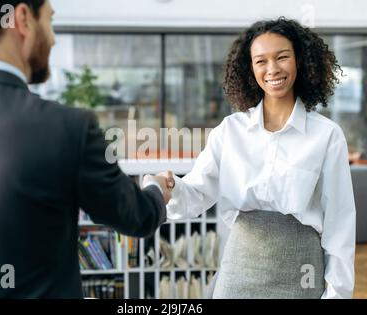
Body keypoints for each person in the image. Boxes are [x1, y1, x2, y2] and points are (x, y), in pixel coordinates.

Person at [0, 0, 171, 298]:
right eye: (50, 19)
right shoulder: (69, 128)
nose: (54, 36)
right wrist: (155, 188)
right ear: (22, 19)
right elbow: (136, 216)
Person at [146, 17, 356, 299]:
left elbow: (340, 224)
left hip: (302, 271)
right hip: (240, 270)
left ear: (301, 61)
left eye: (282, 57)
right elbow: (196, 194)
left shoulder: (327, 135)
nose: (272, 69)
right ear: (250, 68)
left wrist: (337, 294)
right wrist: (171, 189)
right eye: (261, 61)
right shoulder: (230, 131)